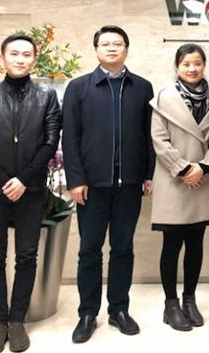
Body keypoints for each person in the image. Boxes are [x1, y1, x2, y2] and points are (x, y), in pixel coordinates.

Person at [0, 33, 61, 353]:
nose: (20, 59)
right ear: (2, 58)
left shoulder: (47, 96)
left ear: (35, 59)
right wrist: (6, 180)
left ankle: (17, 321)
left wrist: (23, 180)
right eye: (14, 53)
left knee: (27, 256)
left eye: (26, 54)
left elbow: (50, 143)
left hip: (31, 190)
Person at [62, 25, 155, 343]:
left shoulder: (142, 87)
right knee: (89, 250)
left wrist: (148, 174)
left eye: (117, 43)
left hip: (129, 183)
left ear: (126, 49)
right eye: (105, 44)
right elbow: (70, 137)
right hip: (92, 185)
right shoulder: (79, 87)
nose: (112, 48)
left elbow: (149, 135)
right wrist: (76, 179)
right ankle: (88, 313)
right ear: (96, 49)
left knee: (123, 248)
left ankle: (119, 310)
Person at [149, 44, 209, 331]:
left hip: (202, 178)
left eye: (197, 63)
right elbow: (159, 140)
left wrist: (204, 166)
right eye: (186, 64)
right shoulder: (163, 98)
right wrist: (183, 169)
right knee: (171, 244)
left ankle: (189, 300)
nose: (192, 68)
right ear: (177, 67)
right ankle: (171, 304)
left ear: (204, 65)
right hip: (175, 180)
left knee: (196, 243)